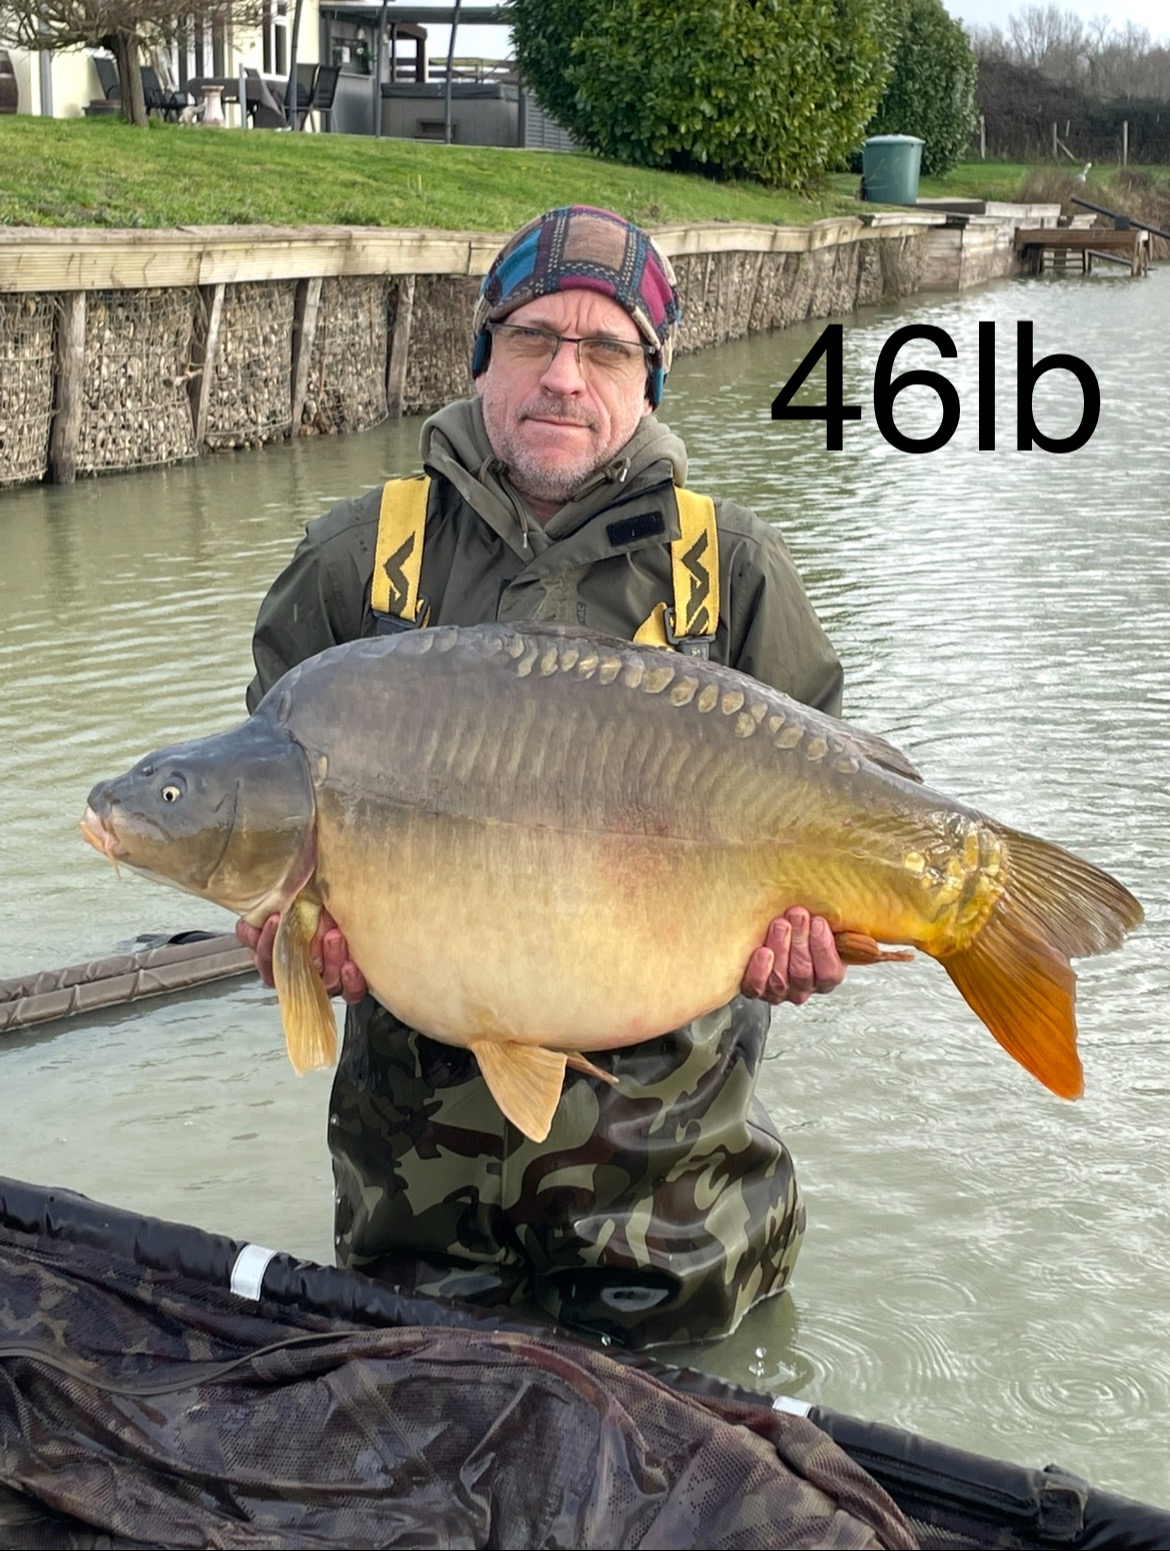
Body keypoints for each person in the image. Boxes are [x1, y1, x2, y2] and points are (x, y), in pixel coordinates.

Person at [238, 206, 846, 1349]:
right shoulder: (355, 561)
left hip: (676, 1214)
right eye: (531, 338)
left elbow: (824, 836)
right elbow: (265, 821)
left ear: (650, 381)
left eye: (606, 348)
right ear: (482, 357)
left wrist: (805, 944)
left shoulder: (735, 573)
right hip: (414, 1211)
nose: (563, 378)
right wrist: (289, 935)